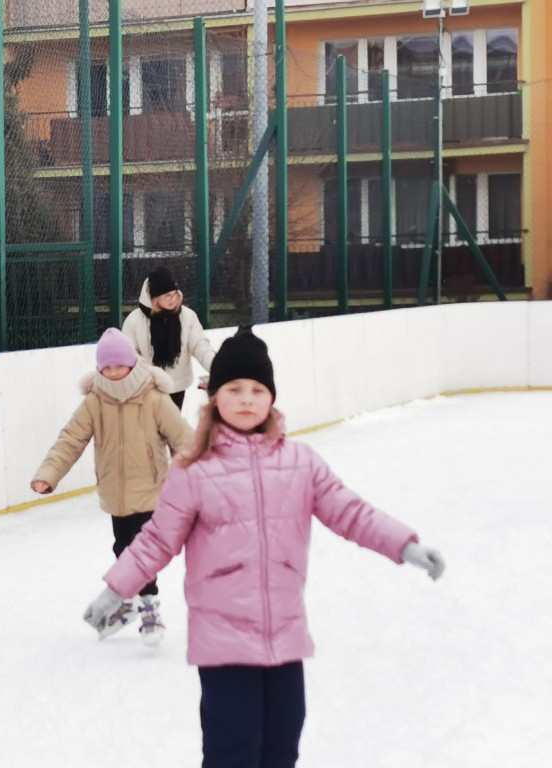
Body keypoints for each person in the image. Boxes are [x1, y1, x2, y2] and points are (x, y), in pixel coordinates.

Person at [82, 327, 446, 768]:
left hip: (285, 637)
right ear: (214, 397)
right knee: (233, 751)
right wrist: (116, 589)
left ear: (271, 397)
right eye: (234, 388)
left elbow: (350, 512)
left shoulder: (300, 462)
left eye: (258, 389)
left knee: (281, 748)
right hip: (224, 641)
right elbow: (158, 539)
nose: (247, 398)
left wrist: (404, 545)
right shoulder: (193, 469)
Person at [31, 327, 193, 646]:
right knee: (123, 550)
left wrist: (194, 478)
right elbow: (71, 440)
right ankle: (131, 602)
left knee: (139, 553)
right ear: (99, 369)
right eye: (107, 367)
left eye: (120, 366)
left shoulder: (153, 397)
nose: (114, 372)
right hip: (115, 494)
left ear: (132, 365)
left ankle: (150, 608)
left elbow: (183, 439)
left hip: (151, 491)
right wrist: (48, 474)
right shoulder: (95, 402)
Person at [121, 266, 215, 410]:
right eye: (167, 296)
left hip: (176, 387)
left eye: (174, 294)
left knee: (171, 430)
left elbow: (200, 346)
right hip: (146, 388)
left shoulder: (187, 316)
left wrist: (218, 369)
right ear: (154, 298)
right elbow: (128, 356)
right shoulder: (134, 321)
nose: (172, 299)